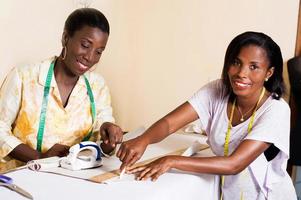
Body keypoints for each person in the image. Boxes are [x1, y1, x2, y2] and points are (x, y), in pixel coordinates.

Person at [117, 32, 297, 199]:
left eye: (254, 67)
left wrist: (171, 160)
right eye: (236, 62)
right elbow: (170, 123)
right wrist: (144, 139)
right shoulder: (217, 90)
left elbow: (234, 164)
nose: (242, 73)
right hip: (228, 193)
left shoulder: (276, 110)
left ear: (269, 73)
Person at [0, 8, 123, 172]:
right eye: (85, 45)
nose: (90, 57)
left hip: (70, 179)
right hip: (21, 177)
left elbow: (102, 142)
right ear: (66, 38)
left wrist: (109, 136)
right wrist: (38, 157)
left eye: (99, 52)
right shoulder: (24, 76)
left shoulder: (97, 86)